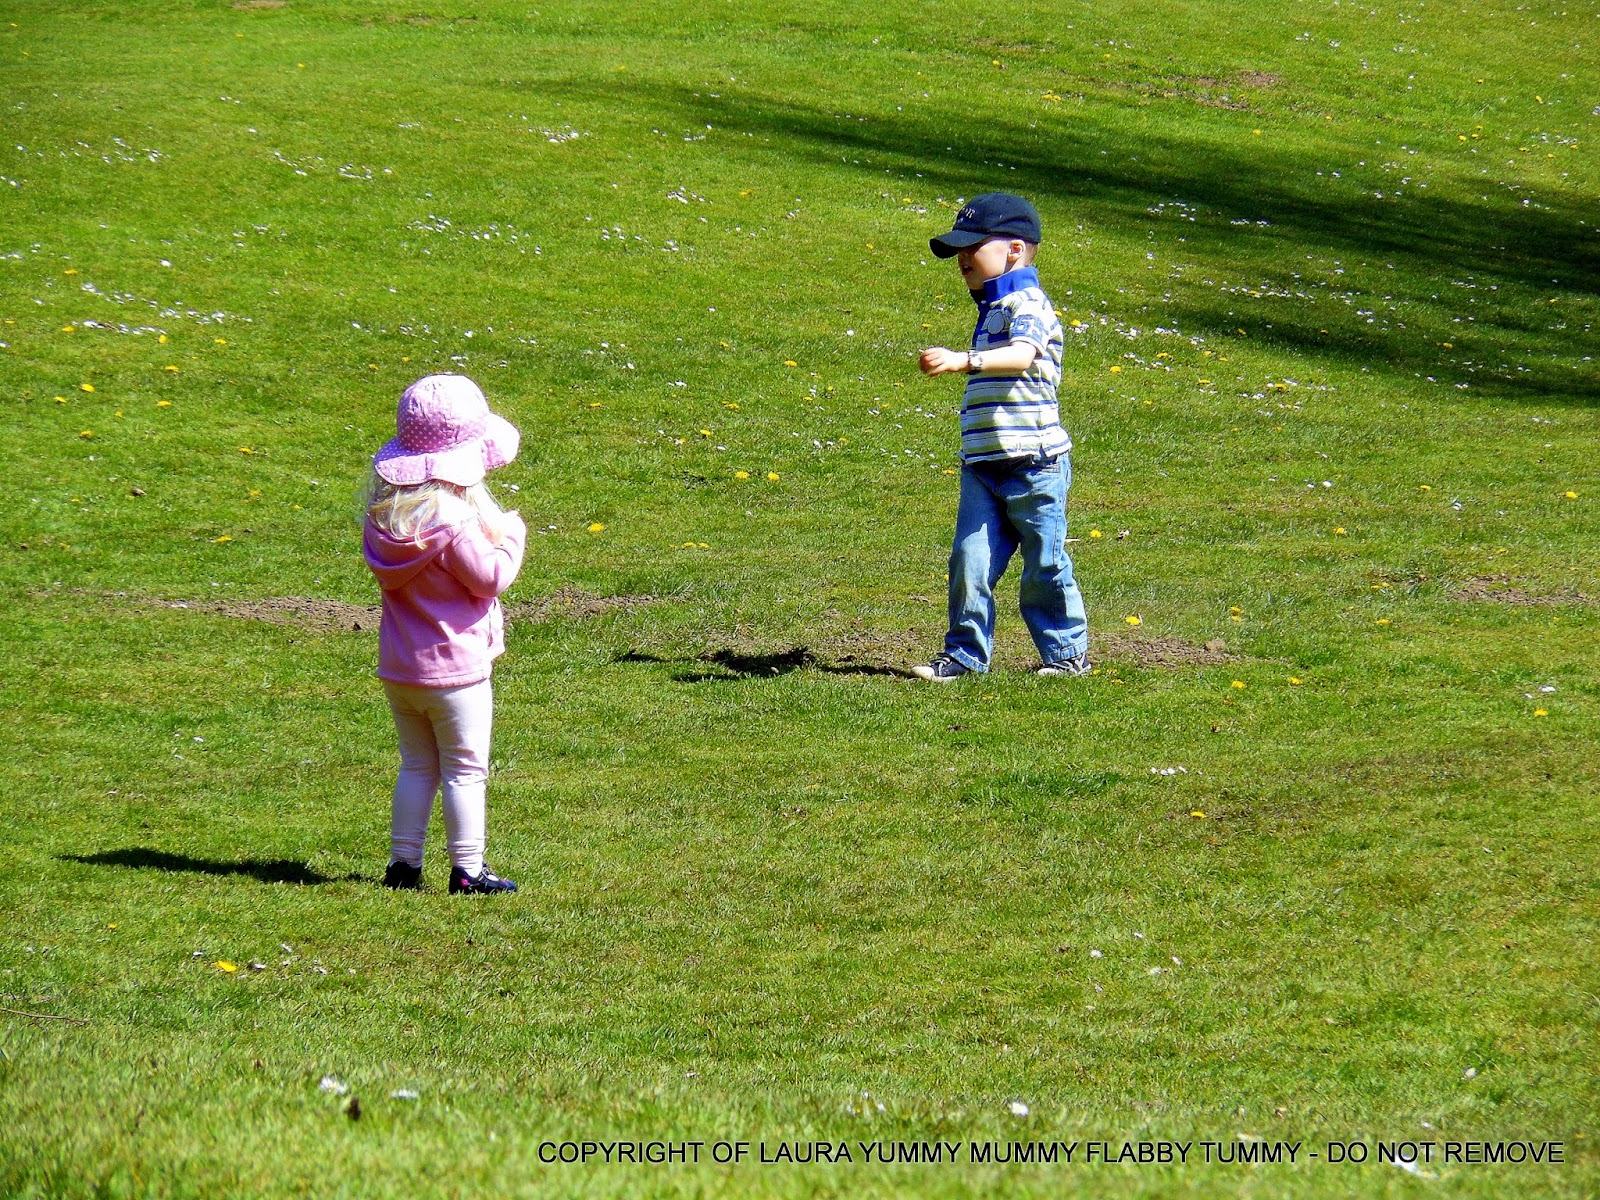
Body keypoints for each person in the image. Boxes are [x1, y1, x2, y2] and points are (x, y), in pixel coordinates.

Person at [913, 193, 1090, 682]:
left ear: (1014, 250)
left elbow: (1023, 355)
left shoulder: (1028, 302)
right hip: (983, 465)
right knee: (969, 562)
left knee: (1045, 564)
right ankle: (966, 656)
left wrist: (962, 360)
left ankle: (1067, 654)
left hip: (1034, 464)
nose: (963, 257)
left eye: (974, 246)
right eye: (958, 250)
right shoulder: (992, 305)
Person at [362, 374, 526, 893]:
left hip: (401, 670)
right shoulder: (453, 522)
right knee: (464, 770)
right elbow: (490, 578)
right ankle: (468, 869)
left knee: (416, 766)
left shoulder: (386, 520)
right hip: (456, 673)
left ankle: (403, 865)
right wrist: (513, 538)